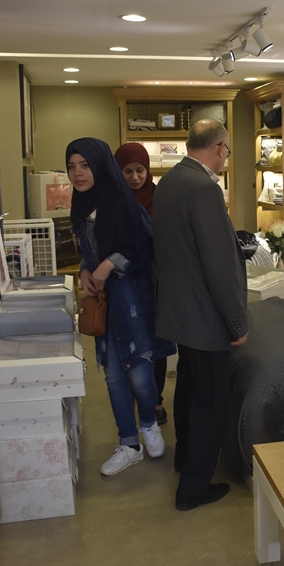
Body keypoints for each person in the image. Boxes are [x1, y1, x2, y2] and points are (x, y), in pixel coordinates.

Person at [152, 119, 248, 511]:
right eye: (227, 151)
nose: (225, 158)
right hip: (205, 316)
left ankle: (184, 459)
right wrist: (237, 321)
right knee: (210, 402)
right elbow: (219, 265)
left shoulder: (169, 181)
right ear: (221, 147)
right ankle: (193, 488)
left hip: (179, 311)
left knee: (188, 390)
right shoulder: (205, 188)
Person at [66, 138, 175, 476]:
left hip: (133, 302)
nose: (78, 173)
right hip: (105, 304)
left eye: (85, 165)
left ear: (100, 166)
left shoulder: (123, 203)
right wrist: (85, 270)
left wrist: (110, 264)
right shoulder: (81, 205)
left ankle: (148, 424)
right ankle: (129, 444)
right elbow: (88, 252)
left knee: (141, 375)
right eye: (72, 167)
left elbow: (146, 248)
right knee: (114, 377)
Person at [115, 142, 169, 426]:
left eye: (140, 170)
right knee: (130, 341)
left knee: (156, 342)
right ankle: (134, 395)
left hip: (155, 281)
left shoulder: (161, 198)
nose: (135, 177)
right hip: (123, 282)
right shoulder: (113, 200)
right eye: (128, 171)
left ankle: (156, 399)